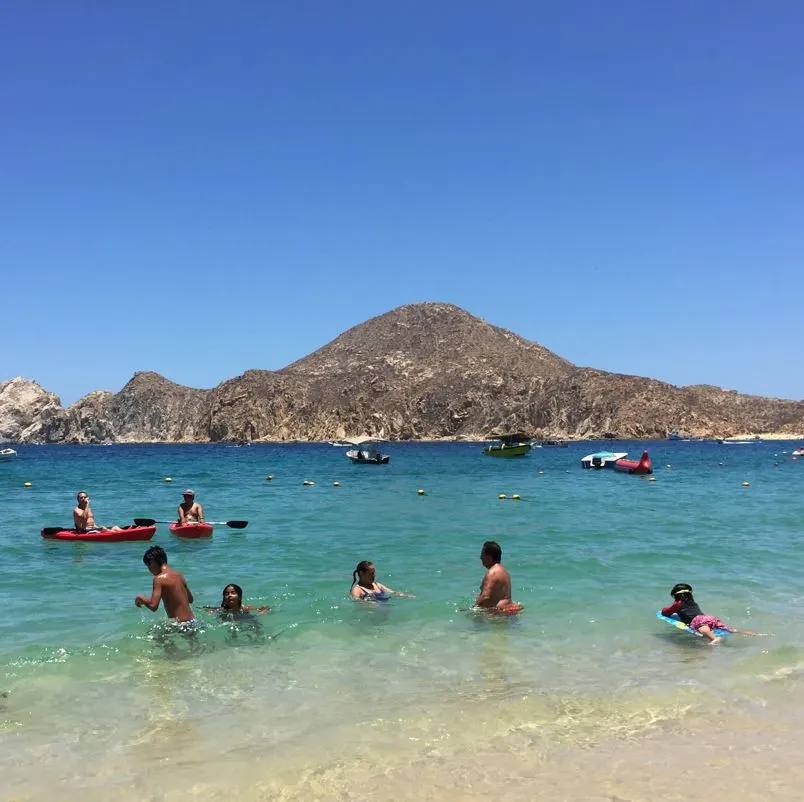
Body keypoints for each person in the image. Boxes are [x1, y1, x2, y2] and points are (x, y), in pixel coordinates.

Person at [661, 583, 763, 644]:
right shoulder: (692, 602)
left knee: (703, 629)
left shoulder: (677, 604)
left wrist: (664, 610)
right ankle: (752, 633)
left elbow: (666, 612)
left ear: (675, 596)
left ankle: (714, 638)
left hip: (698, 620)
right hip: (708, 618)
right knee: (729, 629)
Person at [134, 545, 196, 627]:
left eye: (148, 566)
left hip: (179, 624)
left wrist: (141, 598)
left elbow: (153, 606)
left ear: (153, 562)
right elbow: (191, 599)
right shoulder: (179, 575)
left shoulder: (158, 579)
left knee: (157, 636)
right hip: (192, 621)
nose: (149, 570)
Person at [476, 541, 524, 614]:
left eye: (482, 554)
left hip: (498, 614)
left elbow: (485, 596)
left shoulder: (492, 572)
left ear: (489, 556)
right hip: (508, 611)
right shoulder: (504, 571)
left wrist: (474, 610)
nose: (480, 557)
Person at [204, 584, 270, 616]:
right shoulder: (222, 610)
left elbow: (265, 609)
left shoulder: (245, 608)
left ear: (239, 597)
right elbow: (207, 609)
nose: (229, 595)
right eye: (227, 594)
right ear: (224, 598)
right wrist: (209, 611)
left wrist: (261, 612)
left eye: (233, 593)